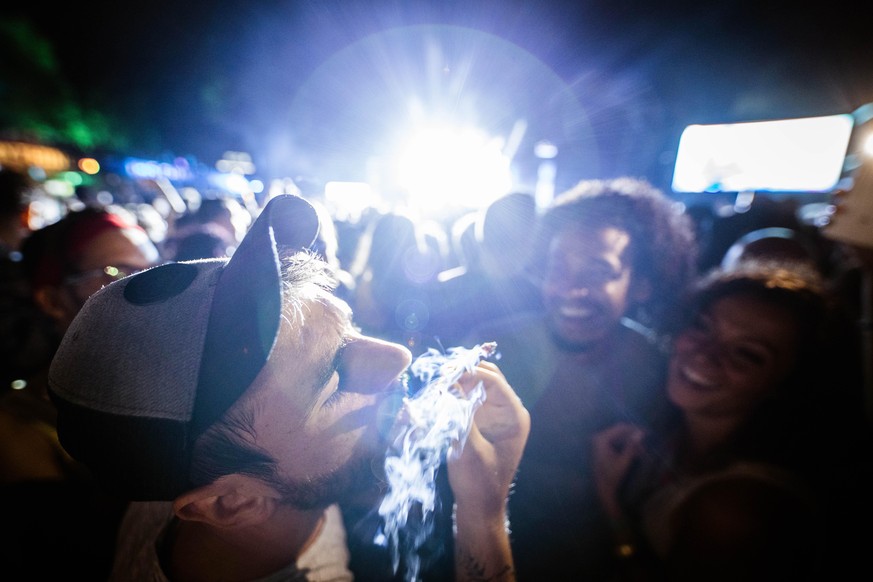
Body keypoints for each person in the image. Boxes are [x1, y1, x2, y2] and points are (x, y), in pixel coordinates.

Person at [47, 194, 530, 581]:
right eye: (334, 379)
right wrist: (483, 520)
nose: (397, 356)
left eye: (349, 331)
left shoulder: (185, 483)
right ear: (231, 502)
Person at [465, 177, 698, 580]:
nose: (572, 289)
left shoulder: (661, 371)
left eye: (598, 271)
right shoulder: (495, 349)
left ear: (641, 284)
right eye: (559, 268)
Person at [592, 259, 871, 581]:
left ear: (786, 385)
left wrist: (609, 504)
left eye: (746, 354)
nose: (704, 354)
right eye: (703, 326)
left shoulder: (734, 512)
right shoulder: (668, 434)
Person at [1, 204, 161, 578]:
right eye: (116, 273)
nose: (147, 288)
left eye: (153, 271)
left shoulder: (175, 382)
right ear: (52, 300)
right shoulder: (20, 423)